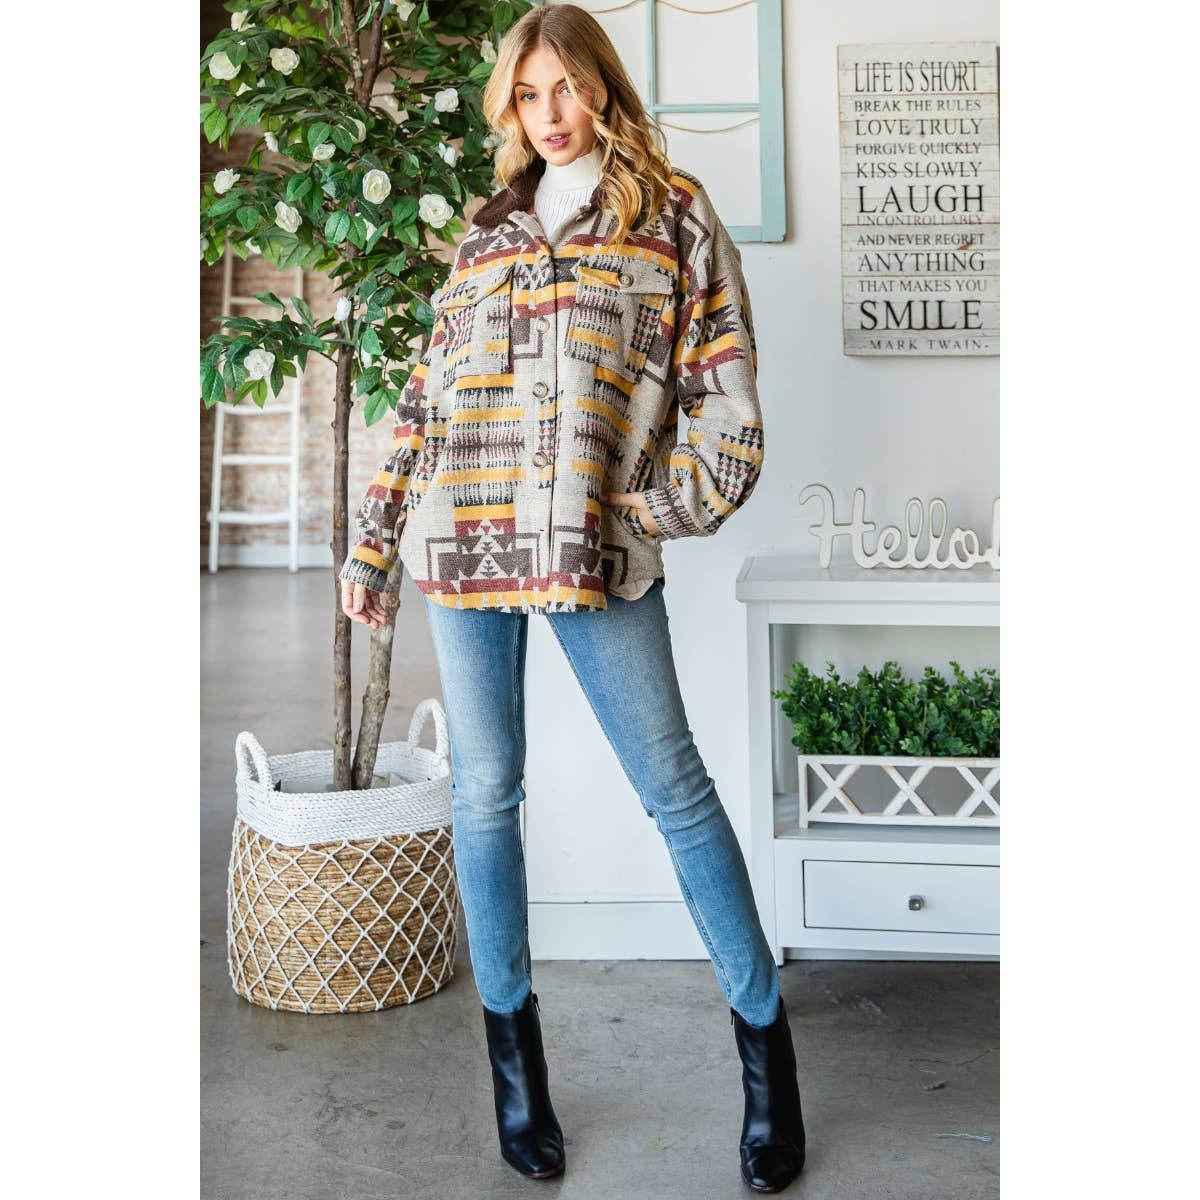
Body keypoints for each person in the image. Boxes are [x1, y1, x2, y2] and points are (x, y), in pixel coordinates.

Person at [338, 4, 805, 1193]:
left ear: (602, 88)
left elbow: (729, 405)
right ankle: (517, 1075)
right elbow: (426, 399)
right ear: (511, 105)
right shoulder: (486, 231)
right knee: (485, 799)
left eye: (566, 87)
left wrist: (654, 510)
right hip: (463, 548)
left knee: (676, 793)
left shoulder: (672, 216)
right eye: (527, 93)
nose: (548, 114)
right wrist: (374, 544)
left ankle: (767, 1061)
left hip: (592, 554)